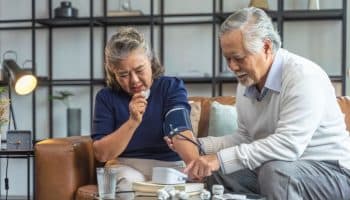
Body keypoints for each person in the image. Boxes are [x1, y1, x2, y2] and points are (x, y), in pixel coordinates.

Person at [167, 7, 350, 199]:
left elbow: (288, 145)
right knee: (218, 174)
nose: (232, 67)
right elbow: (246, 138)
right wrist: (198, 145)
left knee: (275, 173)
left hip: (333, 172)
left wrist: (220, 159)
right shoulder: (247, 81)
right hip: (281, 168)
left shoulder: (303, 76)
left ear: (266, 47)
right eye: (227, 59)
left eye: (238, 58)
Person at [91, 27, 199, 193]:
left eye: (139, 70)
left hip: (170, 165)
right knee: (128, 184)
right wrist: (132, 122)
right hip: (125, 165)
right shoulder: (106, 97)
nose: (134, 80)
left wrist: (195, 166)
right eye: (124, 75)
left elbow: (179, 129)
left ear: (150, 60)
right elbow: (102, 154)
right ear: (113, 72)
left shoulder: (171, 87)